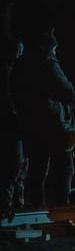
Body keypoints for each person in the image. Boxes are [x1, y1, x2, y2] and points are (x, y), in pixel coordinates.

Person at [11, 29, 75, 207]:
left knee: (37, 171)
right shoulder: (48, 66)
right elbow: (68, 92)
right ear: (48, 48)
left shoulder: (23, 67)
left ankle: (37, 212)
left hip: (33, 126)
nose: (56, 53)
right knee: (65, 170)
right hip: (55, 127)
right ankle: (61, 213)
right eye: (54, 49)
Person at [1, 37, 25, 218]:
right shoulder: (9, 73)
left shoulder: (13, 73)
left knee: (16, 165)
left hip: (14, 126)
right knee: (13, 165)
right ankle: (8, 205)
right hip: (11, 126)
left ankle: (15, 202)